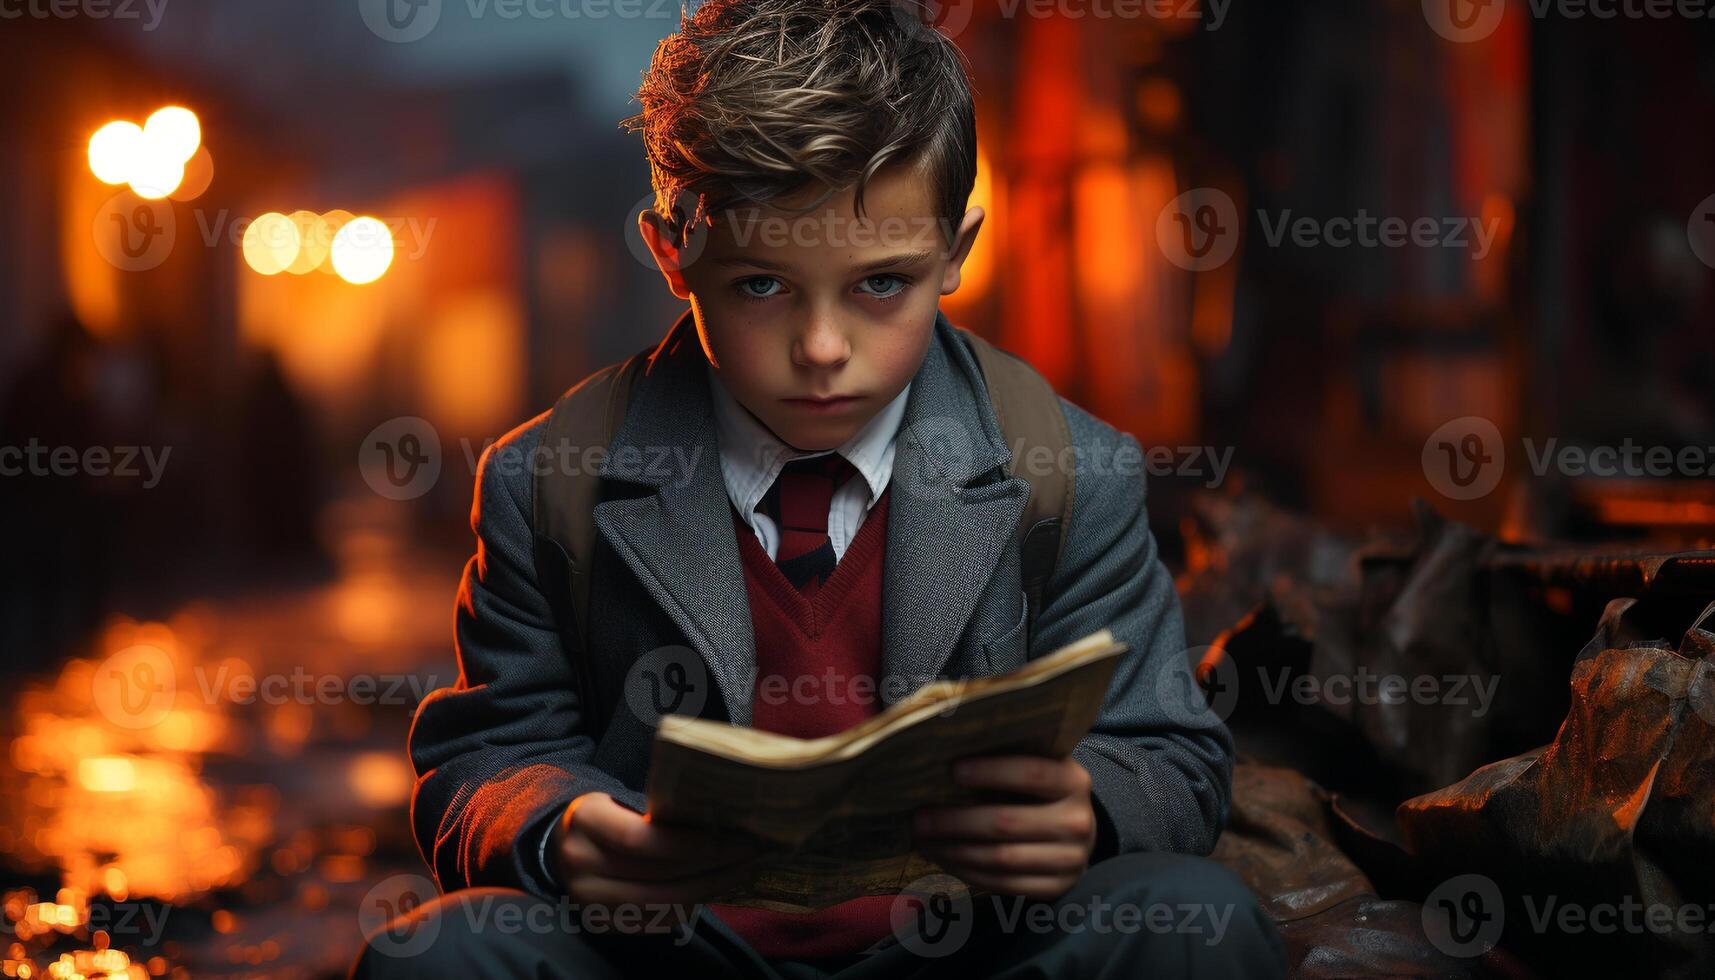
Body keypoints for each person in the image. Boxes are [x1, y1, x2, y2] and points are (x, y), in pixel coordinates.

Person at [354, 2, 1284, 976]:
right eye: (761, 284)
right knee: (435, 954)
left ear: (954, 250)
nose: (823, 348)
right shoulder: (547, 480)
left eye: (880, 283)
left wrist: (1085, 809)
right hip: (669, 952)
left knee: (1198, 917)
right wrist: (561, 828)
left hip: (967, 950)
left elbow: (1171, 753)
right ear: (674, 250)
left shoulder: (1067, 467)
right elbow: (486, 751)